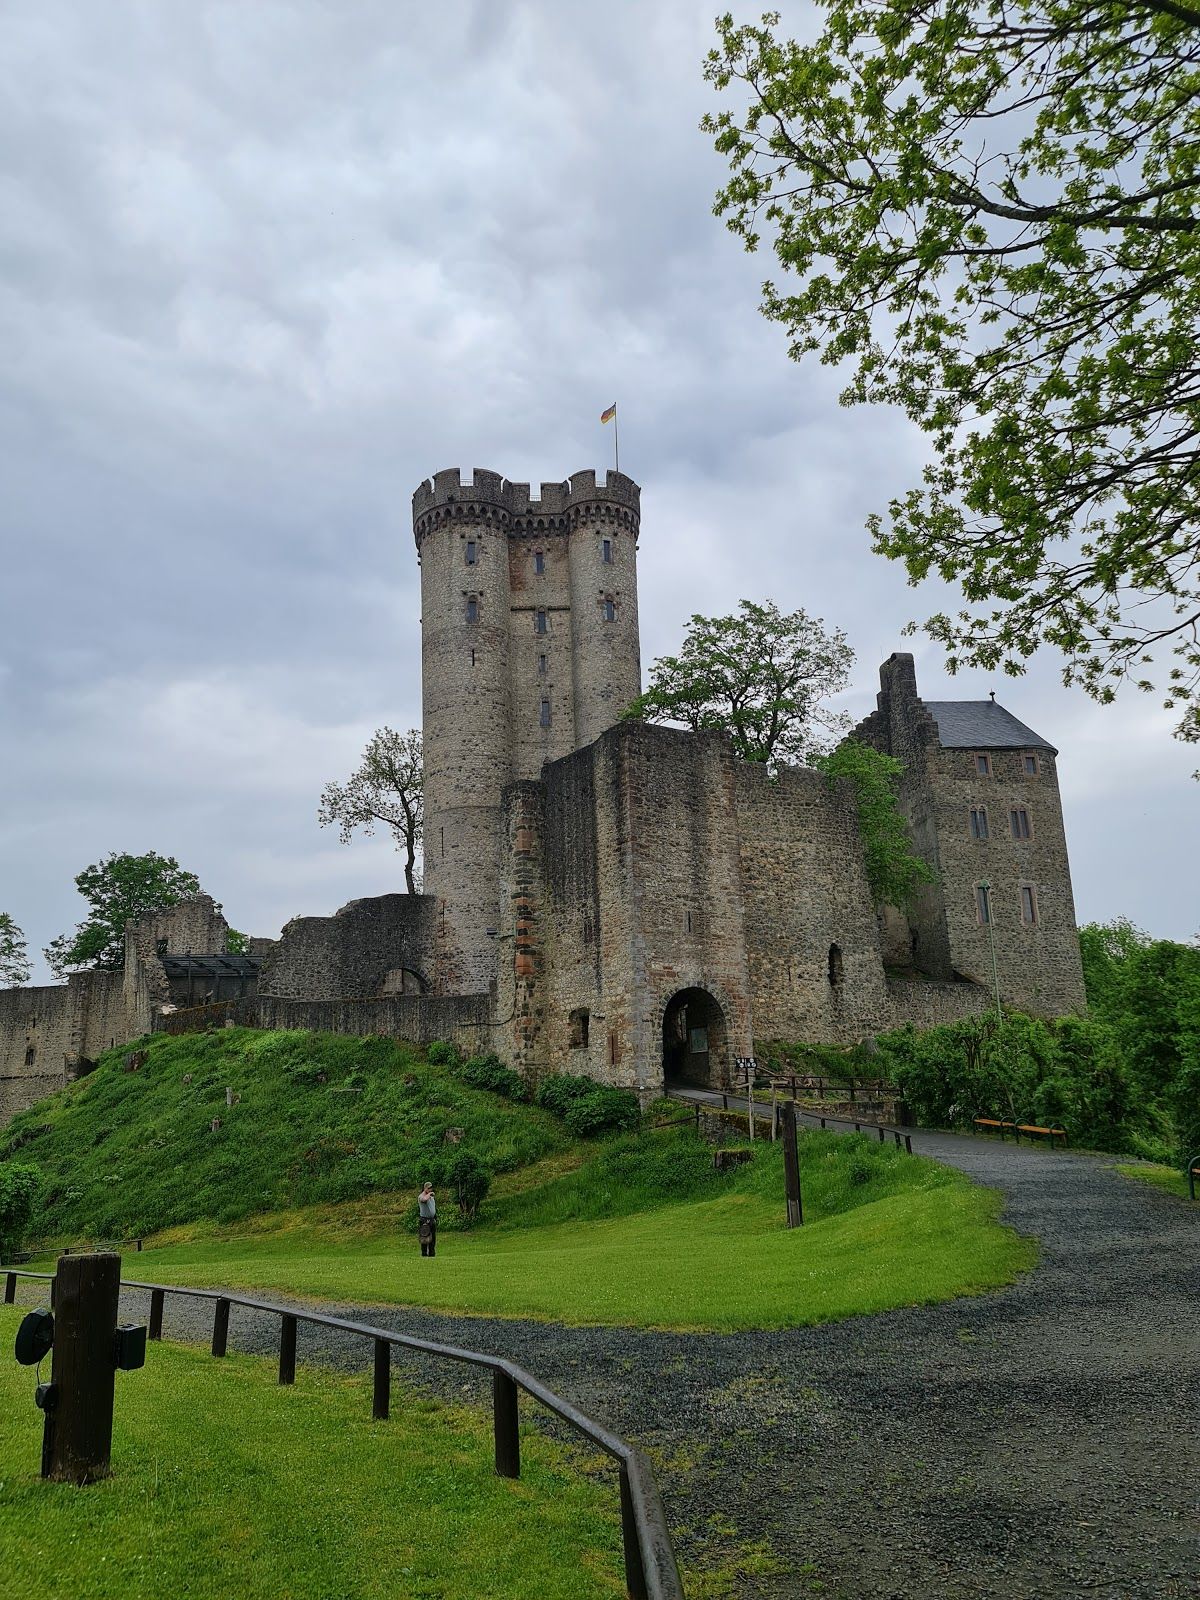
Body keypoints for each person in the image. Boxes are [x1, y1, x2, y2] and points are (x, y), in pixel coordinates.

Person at [417, 1181, 437, 1257]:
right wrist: (429, 1194)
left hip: (432, 1220)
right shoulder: (421, 1196)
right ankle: (424, 1255)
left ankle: (432, 1255)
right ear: (425, 1188)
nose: (430, 1189)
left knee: (433, 1239)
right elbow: (424, 1199)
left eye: (431, 1188)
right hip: (424, 1220)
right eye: (429, 1188)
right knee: (425, 1239)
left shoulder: (431, 1197)